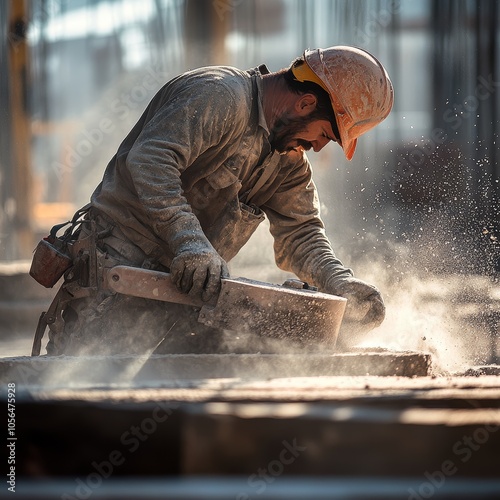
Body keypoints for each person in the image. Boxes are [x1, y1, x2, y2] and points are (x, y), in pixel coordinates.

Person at [32, 45, 394, 356]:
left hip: (180, 291)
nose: (317, 147)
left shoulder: (287, 163)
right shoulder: (220, 96)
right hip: (115, 271)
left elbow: (302, 236)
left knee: (158, 403)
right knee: (84, 396)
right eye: (326, 135)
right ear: (306, 103)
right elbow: (151, 159)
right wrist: (190, 241)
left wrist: (339, 282)